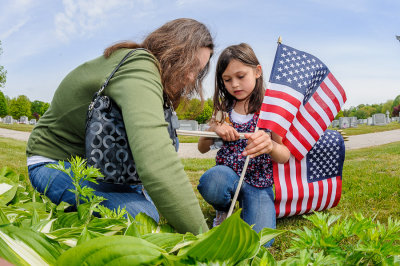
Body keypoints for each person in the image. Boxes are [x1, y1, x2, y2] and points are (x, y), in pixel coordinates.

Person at [26, 18, 213, 234]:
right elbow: (157, 162)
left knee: (159, 201)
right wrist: (202, 237)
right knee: (142, 216)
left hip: (97, 170)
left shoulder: (143, 68)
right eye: (190, 65)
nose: (191, 77)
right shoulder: (140, 66)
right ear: (172, 49)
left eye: (198, 71)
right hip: (53, 164)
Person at [197, 43, 290, 245]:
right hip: (228, 176)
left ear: (257, 71)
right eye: (227, 80)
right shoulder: (223, 110)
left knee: (261, 242)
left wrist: (270, 146)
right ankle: (224, 209)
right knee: (212, 182)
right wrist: (213, 129)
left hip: (259, 183)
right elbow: (201, 147)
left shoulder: (269, 110)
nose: (235, 85)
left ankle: (250, 207)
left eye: (241, 76)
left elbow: (284, 155)